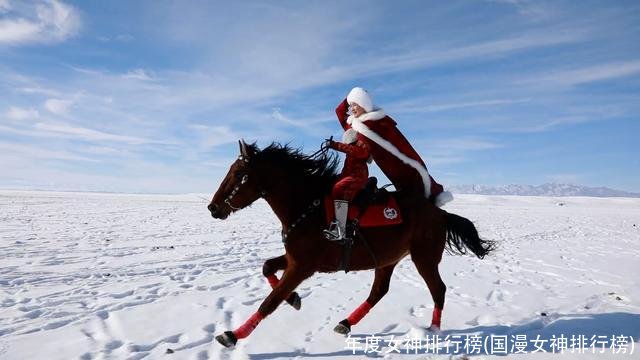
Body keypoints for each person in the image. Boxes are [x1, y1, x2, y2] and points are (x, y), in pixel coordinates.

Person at [335, 87, 453, 207]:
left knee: (414, 189)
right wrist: (350, 98)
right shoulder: (354, 124)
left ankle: (432, 197)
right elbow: (339, 112)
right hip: (386, 167)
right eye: (351, 105)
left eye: (355, 105)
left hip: (395, 163)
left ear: (364, 105)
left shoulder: (380, 123)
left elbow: (402, 146)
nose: (352, 109)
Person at [323, 132, 371, 241]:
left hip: (358, 178)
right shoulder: (350, 155)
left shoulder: (360, 149)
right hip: (351, 176)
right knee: (334, 185)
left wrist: (334, 145)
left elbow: (350, 149)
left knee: (338, 188)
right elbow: (346, 171)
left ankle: (340, 230)